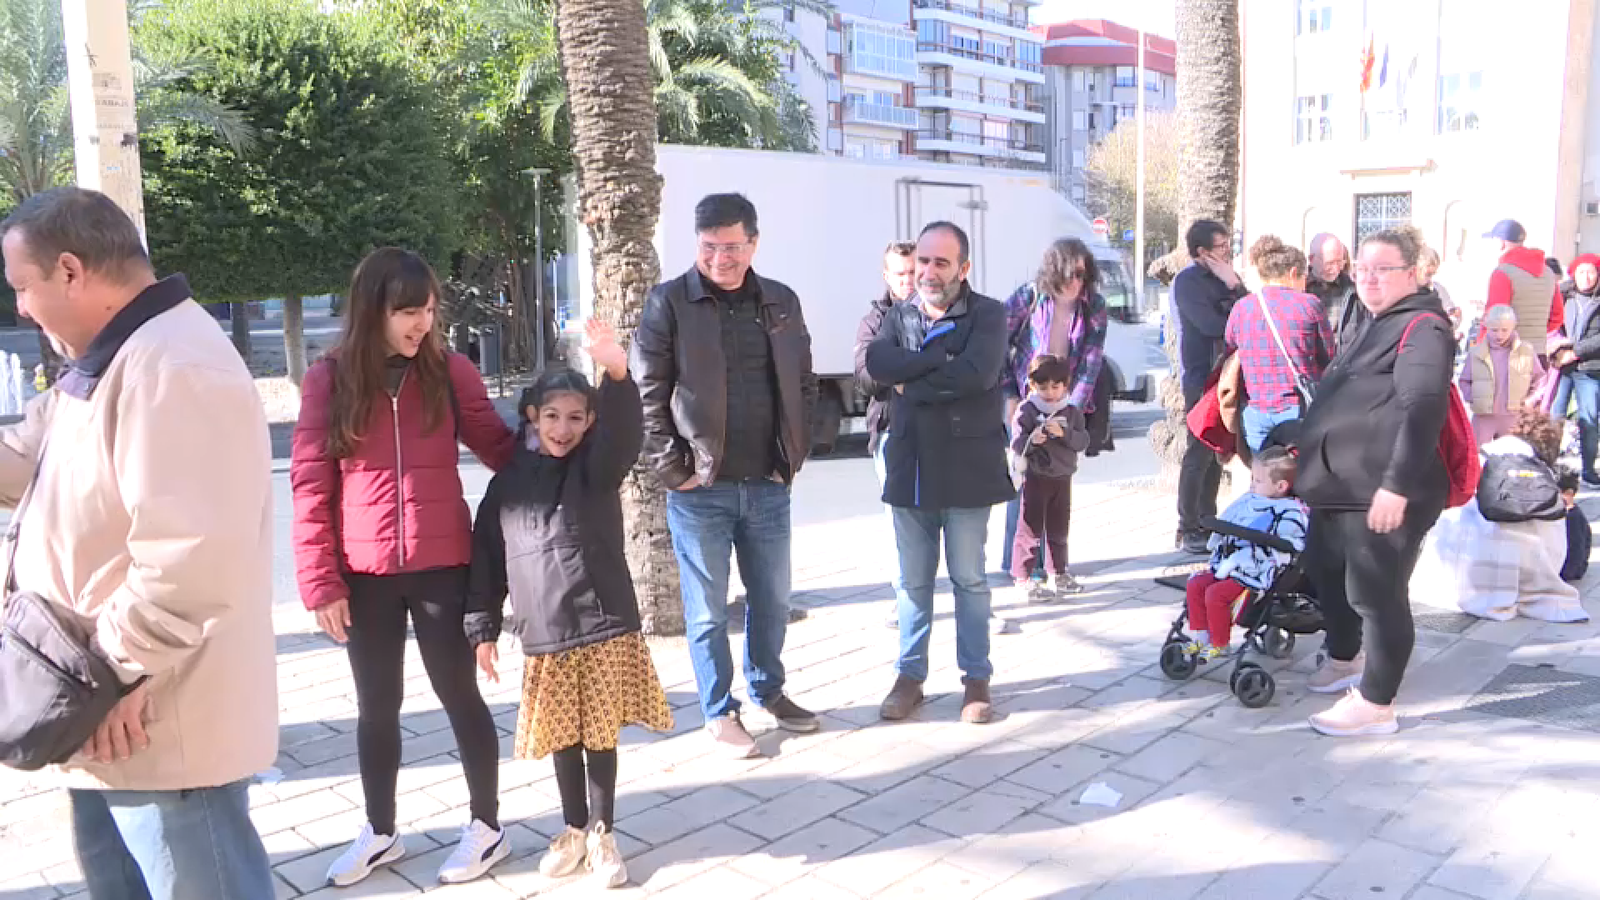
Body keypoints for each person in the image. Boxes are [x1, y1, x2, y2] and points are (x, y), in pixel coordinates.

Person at [0, 187, 277, 898]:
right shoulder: (111, 358)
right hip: (105, 716)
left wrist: (115, 671)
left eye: (24, 287)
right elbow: (29, 462)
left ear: (70, 271)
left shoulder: (174, 366)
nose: (22, 307)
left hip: (152, 718)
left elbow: (190, 562)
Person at [292, 248, 517, 886]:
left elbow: (501, 449)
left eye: (428, 309)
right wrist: (321, 581)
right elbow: (310, 486)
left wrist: (568, 448)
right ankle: (381, 831)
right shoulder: (329, 380)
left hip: (443, 563)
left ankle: (487, 827)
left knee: (459, 695)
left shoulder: (452, 373)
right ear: (373, 311)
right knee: (377, 707)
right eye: (407, 311)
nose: (422, 322)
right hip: (363, 576)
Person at [465, 321, 673, 890]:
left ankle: (604, 832)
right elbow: (486, 560)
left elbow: (625, 436)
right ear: (532, 416)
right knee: (563, 737)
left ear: (589, 423)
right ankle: (574, 829)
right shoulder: (507, 484)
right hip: (545, 632)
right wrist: (482, 629)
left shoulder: (596, 467)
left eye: (577, 418)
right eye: (552, 416)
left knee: (601, 734)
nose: (563, 428)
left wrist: (618, 371)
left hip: (602, 623)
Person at [630, 193, 820, 758]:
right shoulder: (669, 303)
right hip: (701, 490)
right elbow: (647, 394)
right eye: (710, 247)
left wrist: (796, 454)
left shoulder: (781, 301)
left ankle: (770, 689)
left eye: (732, 247)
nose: (720, 258)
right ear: (697, 243)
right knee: (708, 610)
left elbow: (804, 383)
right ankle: (720, 710)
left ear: (753, 244)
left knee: (772, 598)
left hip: (767, 482)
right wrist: (672, 469)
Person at [1296, 225, 1455, 737]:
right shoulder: (1372, 320)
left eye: (1382, 270)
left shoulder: (1424, 327)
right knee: (1325, 571)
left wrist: (1397, 485)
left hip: (1383, 487)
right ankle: (1345, 657)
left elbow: (1423, 408)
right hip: (1340, 486)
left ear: (1411, 273)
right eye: (1362, 270)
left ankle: (1376, 702)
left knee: (1376, 592)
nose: (1368, 279)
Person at [867, 221, 1013, 725]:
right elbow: (874, 367)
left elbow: (978, 374)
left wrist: (910, 380)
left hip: (969, 468)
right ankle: (910, 678)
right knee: (912, 583)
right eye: (923, 261)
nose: (927, 272)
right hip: (910, 468)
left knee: (970, 579)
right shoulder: (899, 314)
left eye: (940, 263)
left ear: (963, 269)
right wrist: (930, 369)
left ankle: (976, 679)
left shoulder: (990, 314)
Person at [1410, 410, 1587, 624]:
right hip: (1528, 570)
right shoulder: (1541, 472)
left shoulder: (1481, 457)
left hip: (1463, 569)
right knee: (1573, 516)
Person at [999, 238, 1108, 578]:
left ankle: (1052, 565)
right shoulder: (1029, 297)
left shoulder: (1094, 306)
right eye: (1069, 274)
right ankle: (1019, 566)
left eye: (1082, 273)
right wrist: (1009, 397)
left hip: (1064, 404)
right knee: (1025, 481)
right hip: (1026, 401)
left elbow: (1091, 363)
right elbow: (994, 344)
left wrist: (1069, 413)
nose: (1076, 281)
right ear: (1052, 272)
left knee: (1057, 481)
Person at [1184, 448, 1308, 662]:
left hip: (1255, 571)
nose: (1252, 484)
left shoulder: (1290, 511)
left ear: (1280, 487)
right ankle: (1200, 634)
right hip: (1228, 563)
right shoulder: (1249, 500)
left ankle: (1220, 643)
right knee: (1195, 583)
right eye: (1253, 478)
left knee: (1216, 594)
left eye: (1258, 481)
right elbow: (1230, 518)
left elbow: (1290, 544)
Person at [1173, 220, 1249, 554]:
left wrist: (1236, 286)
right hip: (1201, 376)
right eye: (1221, 247)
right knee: (1198, 450)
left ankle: (1208, 519)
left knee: (1217, 450)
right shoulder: (1188, 282)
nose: (1227, 252)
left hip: (1228, 375)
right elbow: (1211, 325)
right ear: (1202, 252)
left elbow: (1250, 316)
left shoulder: (1228, 281)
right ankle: (1188, 525)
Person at [1224, 235, 1335, 453]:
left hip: (1256, 410)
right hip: (1297, 409)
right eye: (1304, 277)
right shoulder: (1309, 304)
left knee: (1263, 479)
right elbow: (1329, 356)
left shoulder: (1242, 307)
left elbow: (1230, 346)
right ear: (1294, 273)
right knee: (1300, 478)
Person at [857, 240, 918, 629]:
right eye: (901, 274)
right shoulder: (875, 321)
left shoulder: (945, 312)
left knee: (955, 518)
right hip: (893, 432)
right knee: (899, 521)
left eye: (914, 271)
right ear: (887, 277)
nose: (909, 280)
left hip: (943, 435)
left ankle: (968, 594)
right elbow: (864, 374)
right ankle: (906, 598)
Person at [1008, 354, 1090, 599]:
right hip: (1035, 476)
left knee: (1059, 528)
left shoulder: (1071, 411)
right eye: (1042, 387)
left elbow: (1082, 440)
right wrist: (1033, 440)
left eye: (1056, 387)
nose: (1050, 393)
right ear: (1032, 385)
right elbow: (1017, 442)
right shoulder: (1028, 410)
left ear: (1066, 385)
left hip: (1063, 476)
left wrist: (1064, 434)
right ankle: (1023, 576)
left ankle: (1059, 573)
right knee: (1030, 528)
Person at [1459, 305, 1544, 446]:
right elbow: (1464, 380)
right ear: (1487, 327)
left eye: (1505, 330)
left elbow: (1540, 380)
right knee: (1478, 456)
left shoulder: (1526, 351)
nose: (1499, 335)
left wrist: (1531, 400)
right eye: (1494, 330)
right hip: (1484, 417)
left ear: (1513, 328)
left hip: (1513, 416)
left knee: (1511, 457)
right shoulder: (1476, 353)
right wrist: (1472, 397)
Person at [1483, 219, 1563, 359]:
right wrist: (1535, 333)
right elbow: (1557, 316)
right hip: (1538, 354)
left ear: (1501, 242)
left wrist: (1481, 347)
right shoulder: (1548, 273)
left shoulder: (1503, 273)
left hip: (1509, 354)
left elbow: (1495, 316)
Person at [1549, 254, 1600, 448]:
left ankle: (1588, 472)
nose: (1586, 277)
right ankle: (1549, 463)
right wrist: (1558, 350)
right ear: (1573, 274)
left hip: (1590, 367)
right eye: (1581, 272)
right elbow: (1553, 326)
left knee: (1589, 419)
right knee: (1555, 417)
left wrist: (1575, 352)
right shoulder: (1563, 296)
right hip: (1562, 367)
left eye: (1591, 272)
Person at [1306, 233, 1364, 348]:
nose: (1336, 269)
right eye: (1330, 263)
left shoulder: (1353, 290)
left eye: (1340, 262)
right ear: (1312, 259)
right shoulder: (1299, 287)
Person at [1558, 468, 1591, 583]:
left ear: (1568, 493)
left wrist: (1566, 573)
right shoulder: (1566, 513)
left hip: (1572, 568)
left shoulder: (1573, 517)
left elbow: (1577, 548)